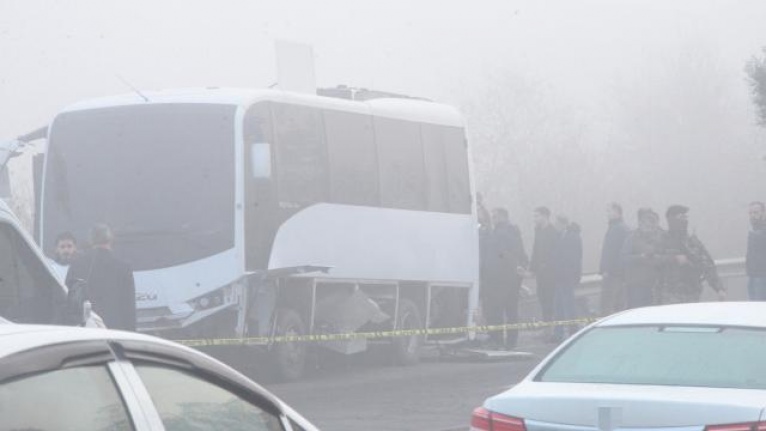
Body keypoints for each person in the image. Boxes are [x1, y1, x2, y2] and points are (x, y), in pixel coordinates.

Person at [66, 224, 136, 330]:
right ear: (110, 240)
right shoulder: (123, 267)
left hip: (85, 330)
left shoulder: (77, 265)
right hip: (115, 330)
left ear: (90, 241)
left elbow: (69, 302)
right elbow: (129, 307)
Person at [656, 205, 725, 304]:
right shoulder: (662, 240)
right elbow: (651, 260)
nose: (684, 220)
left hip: (692, 293)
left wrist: (719, 288)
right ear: (671, 220)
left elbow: (707, 265)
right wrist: (673, 258)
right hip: (670, 294)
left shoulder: (693, 242)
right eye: (680, 217)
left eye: (685, 217)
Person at [480, 207, 528, 349]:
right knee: (501, 310)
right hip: (500, 278)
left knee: (505, 310)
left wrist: (508, 263)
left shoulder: (505, 233)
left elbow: (506, 254)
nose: (493, 220)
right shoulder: (499, 232)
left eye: (496, 217)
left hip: (504, 278)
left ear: (503, 217)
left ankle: (505, 340)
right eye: (492, 217)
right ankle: (502, 340)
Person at [621, 208, 663, 308]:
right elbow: (624, 258)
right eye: (647, 224)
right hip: (637, 285)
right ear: (641, 223)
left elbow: (668, 256)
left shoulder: (662, 237)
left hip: (657, 285)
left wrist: (659, 258)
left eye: (652, 225)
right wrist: (641, 257)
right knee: (637, 313)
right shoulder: (631, 238)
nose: (650, 227)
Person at [550, 215, 582, 342]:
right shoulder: (559, 236)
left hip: (567, 276)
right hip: (559, 276)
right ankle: (558, 333)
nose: (556, 227)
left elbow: (575, 257)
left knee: (568, 304)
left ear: (563, 224)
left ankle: (573, 330)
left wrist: (574, 275)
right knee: (558, 305)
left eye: (557, 224)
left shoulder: (573, 237)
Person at [598, 203, 630, 315]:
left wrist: (608, 270)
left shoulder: (620, 228)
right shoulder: (615, 227)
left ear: (617, 212)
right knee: (616, 303)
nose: (608, 214)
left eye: (610, 211)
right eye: (607, 211)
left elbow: (615, 252)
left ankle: (607, 328)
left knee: (608, 303)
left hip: (614, 274)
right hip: (615, 273)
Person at [529, 206, 558, 325]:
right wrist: (532, 268)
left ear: (545, 216)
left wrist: (547, 265)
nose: (534, 219)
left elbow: (555, 253)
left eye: (537, 216)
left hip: (550, 273)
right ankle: (547, 327)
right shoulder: (538, 231)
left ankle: (551, 328)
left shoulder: (553, 232)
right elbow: (535, 250)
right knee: (542, 298)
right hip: (540, 273)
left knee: (550, 300)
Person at [746, 201, 766, 301]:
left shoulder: (762, 232)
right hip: (752, 275)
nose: (753, 216)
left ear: (763, 213)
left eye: (756, 212)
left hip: (762, 276)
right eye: (751, 213)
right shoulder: (752, 232)